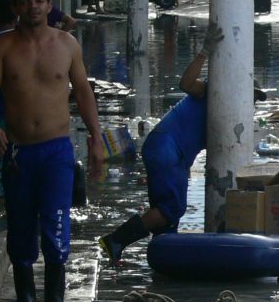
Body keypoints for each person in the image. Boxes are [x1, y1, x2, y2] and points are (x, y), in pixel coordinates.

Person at [0, 0, 104, 302]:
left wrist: (96, 139)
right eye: (25, 1)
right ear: (16, 7)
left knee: (56, 221)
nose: (32, 7)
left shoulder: (67, 45)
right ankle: (25, 300)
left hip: (57, 152)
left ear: (50, 5)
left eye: (39, 0)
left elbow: (83, 93)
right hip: (19, 152)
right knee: (20, 225)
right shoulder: (1, 47)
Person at [99, 23, 269, 264]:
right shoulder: (213, 92)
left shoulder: (230, 114)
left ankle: (162, 260)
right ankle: (116, 240)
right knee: (171, 209)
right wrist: (204, 52)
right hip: (167, 147)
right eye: (250, 96)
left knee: (168, 216)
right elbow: (186, 84)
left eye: (255, 100)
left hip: (171, 153)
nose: (251, 103)